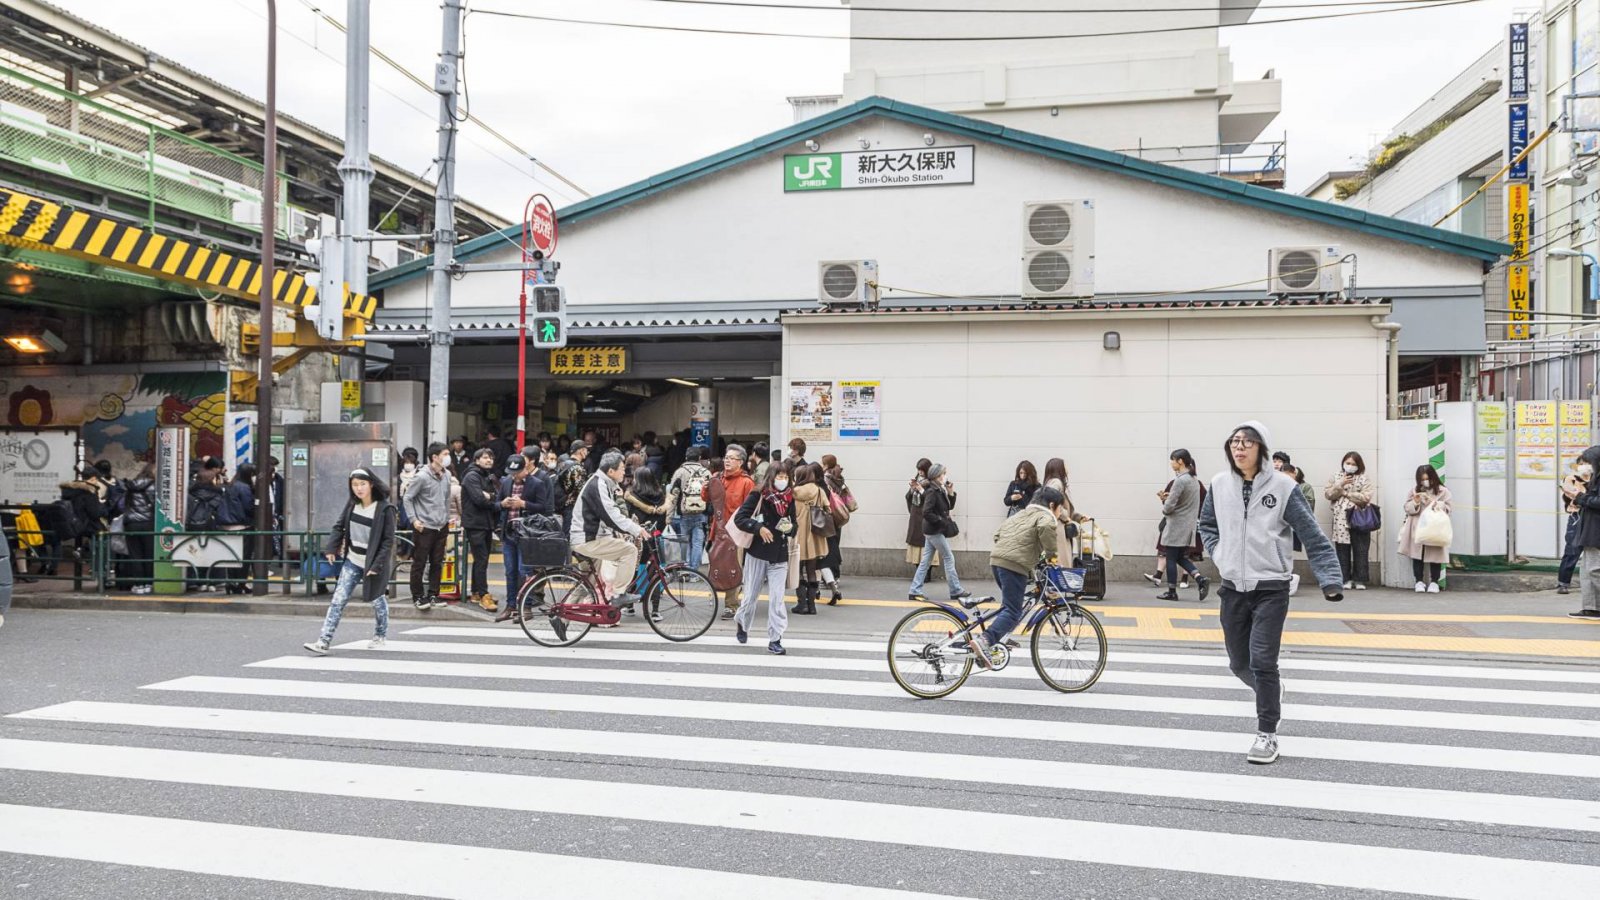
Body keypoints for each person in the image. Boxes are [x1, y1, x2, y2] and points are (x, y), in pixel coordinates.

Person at [1198, 421, 1344, 765]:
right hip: (1233, 587)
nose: (1240, 447)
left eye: (1248, 442)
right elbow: (1207, 526)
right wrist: (1219, 554)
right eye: (1235, 441)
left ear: (1262, 448)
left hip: (1271, 589)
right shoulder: (1219, 485)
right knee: (1239, 663)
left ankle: (1267, 734)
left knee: (1263, 661)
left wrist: (1330, 579)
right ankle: (1270, 690)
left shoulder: (1283, 487)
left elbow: (1312, 534)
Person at [962, 487, 1065, 667]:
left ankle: (1000, 635)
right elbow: (1046, 527)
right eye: (1060, 508)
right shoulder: (1046, 516)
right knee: (1013, 611)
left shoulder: (1020, 514)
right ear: (1051, 505)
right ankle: (985, 640)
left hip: (997, 561)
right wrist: (1052, 557)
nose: (1060, 512)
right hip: (1014, 566)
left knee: (1009, 606)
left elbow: (997, 535)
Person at [303, 468, 398, 655]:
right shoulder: (352, 504)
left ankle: (380, 634)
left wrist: (377, 565)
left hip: (373, 563)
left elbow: (388, 541)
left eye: (362, 484)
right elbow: (339, 526)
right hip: (352, 560)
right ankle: (324, 641)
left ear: (371, 484)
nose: (359, 488)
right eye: (354, 485)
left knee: (377, 599)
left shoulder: (385, 509)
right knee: (338, 600)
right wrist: (331, 548)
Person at [732, 461, 797, 655]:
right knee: (750, 596)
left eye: (786, 477)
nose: (782, 481)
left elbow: (795, 525)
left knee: (777, 600)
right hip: (758, 553)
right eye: (779, 477)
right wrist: (759, 528)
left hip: (779, 555)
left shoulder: (790, 498)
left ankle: (775, 639)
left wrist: (789, 528)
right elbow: (740, 519)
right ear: (771, 477)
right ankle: (742, 622)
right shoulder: (758, 494)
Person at [569, 451, 647, 608]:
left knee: (590, 581)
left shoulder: (604, 483)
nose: (625, 472)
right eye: (622, 468)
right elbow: (611, 515)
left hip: (588, 538)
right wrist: (636, 530)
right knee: (629, 550)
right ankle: (619, 594)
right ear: (611, 471)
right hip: (588, 539)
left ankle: (561, 618)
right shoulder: (598, 484)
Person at [707, 444, 756, 618]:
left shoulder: (746, 482)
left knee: (732, 566)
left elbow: (752, 508)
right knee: (717, 564)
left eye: (732, 458)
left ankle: (731, 604)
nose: (727, 461)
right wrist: (708, 485)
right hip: (718, 529)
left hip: (736, 532)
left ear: (741, 462)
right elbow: (706, 498)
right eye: (726, 458)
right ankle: (722, 595)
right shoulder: (718, 478)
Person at [909, 463, 969, 602]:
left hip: (932, 530)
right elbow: (927, 512)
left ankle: (914, 590)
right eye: (943, 473)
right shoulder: (932, 491)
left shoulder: (939, 489)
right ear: (937, 476)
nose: (945, 476)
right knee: (949, 557)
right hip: (934, 530)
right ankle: (955, 590)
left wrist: (950, 492)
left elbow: (949, 506)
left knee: (925, 561)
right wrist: (942, 521)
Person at [403, 442, 453, 611]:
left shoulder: (447, 475)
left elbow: (446, 498)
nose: (447, 457)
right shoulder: (422, 476)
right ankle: (417, 596)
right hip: (424, 527)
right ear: (435, 457)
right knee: (420, 562)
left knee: (437, 562)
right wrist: (414, 520)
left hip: (441, 525)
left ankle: (433, 594)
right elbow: (407, 498)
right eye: (445, 454)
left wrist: (446, 518)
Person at [1157, 449, 1209, 602]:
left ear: (1180, 461)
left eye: (1173, 460)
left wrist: (1164, 501)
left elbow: (1170, 506)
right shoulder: (1194, 480)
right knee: (1180, 556)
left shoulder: (1180, 480)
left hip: (1176, 525)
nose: (1171, 463)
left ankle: (1172, 591)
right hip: (1188, 525)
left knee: (1171, 557)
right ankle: (1200, 579)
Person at [623, 465, 672, 621]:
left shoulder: (632, 496)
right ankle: (655, 611)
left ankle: (629, 606)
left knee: (634, 572)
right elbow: (664, 521)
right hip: (655, 539)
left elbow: (627, 519)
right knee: (655, 574)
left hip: (638, 540)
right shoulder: (661, 497)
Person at [1325, 451, 1376, 590]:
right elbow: (1328, 494)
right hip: (1340, 519)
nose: (1350, 466)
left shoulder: (1364, 478)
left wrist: (1346, 493)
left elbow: (1366, 497)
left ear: (1359, 465)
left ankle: (1360, 579)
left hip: (1359, 517)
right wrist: (1340, 484)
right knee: (1342, 549)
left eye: (1354, 464)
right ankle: (1344, 579)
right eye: (1348, 463)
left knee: (1361, 549)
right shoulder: (1336, 476)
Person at [1398, 464, 1452, 593]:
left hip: (1435, 528)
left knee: (1436, 555)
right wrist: (1415, 502)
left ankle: (1434, 582)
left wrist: (1437, 504)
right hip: (1417, 528)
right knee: (1417, 555)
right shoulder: (1414, 491)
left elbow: (1448, 509)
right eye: (1422, 479)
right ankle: (1419, 581)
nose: (1425, 482)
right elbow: (1407, 509)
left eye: (1427, 478)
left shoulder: (1443, 491)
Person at [460, 447, 500, 612]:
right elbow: (478, 499)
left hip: (485, 523)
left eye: (490, 457)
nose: (489, 460)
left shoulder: (487, 476)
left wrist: (489, 495)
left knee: (480, 560)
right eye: (485, 457)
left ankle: (476, 592)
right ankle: (483, 594)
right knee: (481, 559)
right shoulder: (472, 476)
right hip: (475, 523)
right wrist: (490, 497)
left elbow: (497, 495)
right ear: (476, 460)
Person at [790, 463, 833, 616]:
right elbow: (829, 509)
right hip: (815, 535)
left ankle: (801, 604)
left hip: (799, 535)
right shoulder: (819, 491)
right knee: (812, 570)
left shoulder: (794, 492)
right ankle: (812, 605)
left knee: (798, 570)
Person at [667, 446, 712, 569]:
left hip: (684, 513)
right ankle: (694, 572)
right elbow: (712, 495)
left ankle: (685, 569)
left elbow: (673, 496)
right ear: (699, 458)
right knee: (697, 543)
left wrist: (669, 517)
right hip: (701, 513)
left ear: (686, 457)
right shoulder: (706, 473)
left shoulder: (679, 472)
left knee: (684, 542)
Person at [819, 455, 854, 605]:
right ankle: (836, 577)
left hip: (828, 517)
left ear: (826, 464)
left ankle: (824, 581)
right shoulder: (840, 478)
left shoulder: (826, 479)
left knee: (824, 551)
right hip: (838, 517)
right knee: (834, 546)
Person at [1572, 444, 1600, 620]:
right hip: (1591, 529)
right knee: (1587, 570)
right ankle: (1591, 607)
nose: (1585, 465)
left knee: (1594, 570)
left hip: (1597, 530)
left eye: (1588, 462)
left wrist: (1582, 498)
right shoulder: (1595, 479)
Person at [120, 463, 157, 594]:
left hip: (131, 524)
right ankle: (148, 583)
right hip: (148, 523)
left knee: (135, 555)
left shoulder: (131, 485)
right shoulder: (155, 486)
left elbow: (122, 505)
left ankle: (138, 584)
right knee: (148, 554)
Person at [1558, 454, 1591, 595]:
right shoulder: (1571, 479)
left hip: (1593, 516)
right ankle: (1563, 583)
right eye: (1582, 463)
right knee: (1572, 550)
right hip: (1577, 516)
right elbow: (1572, 497)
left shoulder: (1596, 479)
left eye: (1588, 463)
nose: (1585, 466)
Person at [558, 440, 591, 531]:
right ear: (581, 451)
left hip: (562, 504)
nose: (587, 453)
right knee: (571, 535)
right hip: (573, 507)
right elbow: (582, 491)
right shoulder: (577, 468)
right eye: (586, 450)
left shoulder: (563, 464)